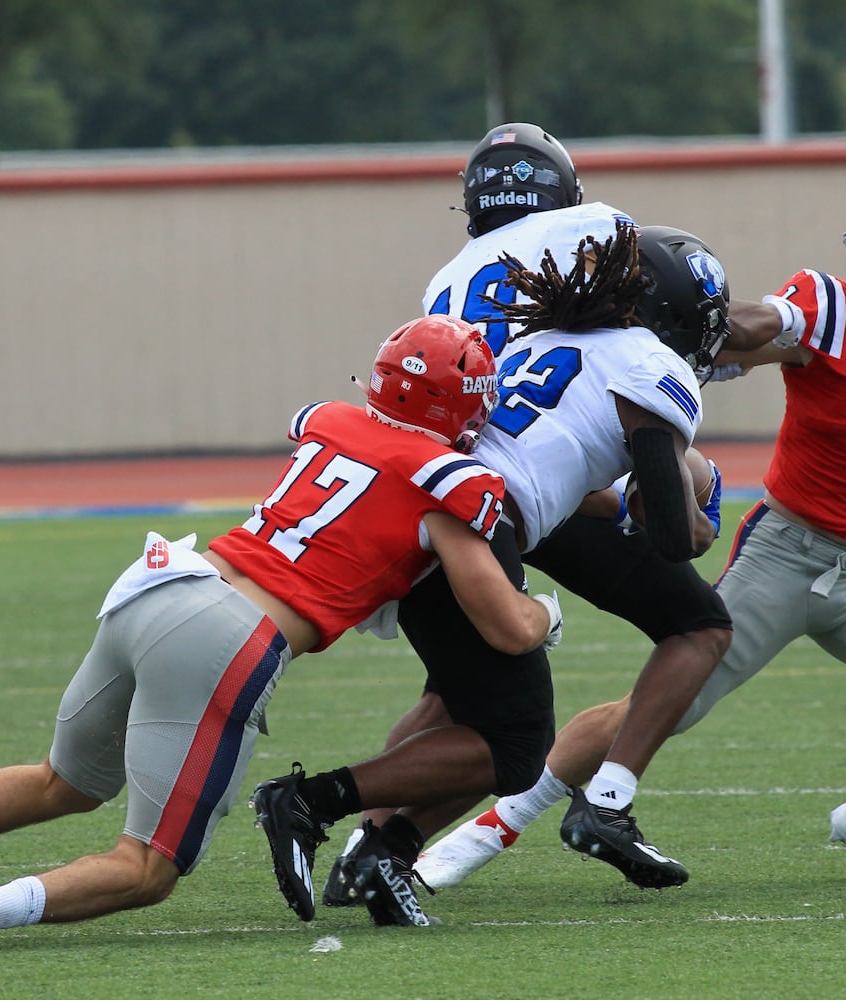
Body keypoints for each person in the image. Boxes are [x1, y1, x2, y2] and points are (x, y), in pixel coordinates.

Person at [0, 315, 562, 952]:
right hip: (228, 635)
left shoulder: (332, 422)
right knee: (149, 868)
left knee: (66, 780)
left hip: (164, 581)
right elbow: (505, 626)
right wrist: (547, 614)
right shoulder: (450, 480)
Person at [419, 167, 846, 885]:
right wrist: (673, 306)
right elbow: (748, 327)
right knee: (658, 708)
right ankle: (488, 833)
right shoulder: (831, 314)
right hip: (782, 555)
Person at [254, 123, 733, 929]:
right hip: (480, 511)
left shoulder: (479, 296)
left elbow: (519, 427)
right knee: (527, 731)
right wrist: (696, 494)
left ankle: (376, 849)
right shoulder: (633, 311)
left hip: (440, 479)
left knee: (467, 694)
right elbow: (665, 529)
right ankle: (337, 808)